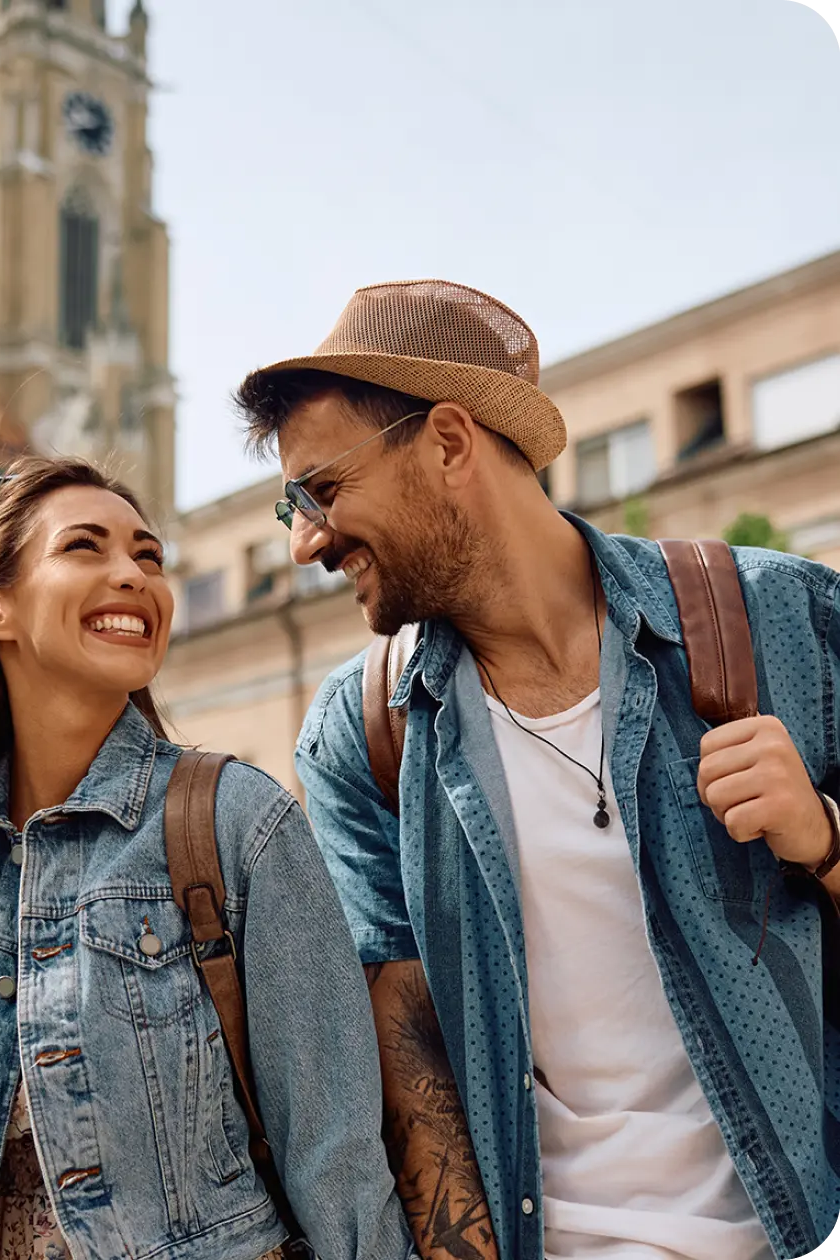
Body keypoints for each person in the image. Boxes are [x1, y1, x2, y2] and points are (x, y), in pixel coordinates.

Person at [234, 279, 840, 1260]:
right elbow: (408, 1060)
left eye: (322, 491)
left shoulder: (781, 623)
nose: (304, 542)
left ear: (447, 443)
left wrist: (823, 837)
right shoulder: (363, 732)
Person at [0, 455, 417, 1260]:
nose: (132, 575)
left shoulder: (236, 823)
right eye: (85, 548)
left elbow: (336, 1164)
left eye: (148, 555)